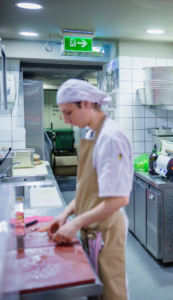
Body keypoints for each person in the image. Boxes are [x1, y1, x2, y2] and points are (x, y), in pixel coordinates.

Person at [48, 79, 133, 300]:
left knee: (111, 292)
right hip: (91, 226)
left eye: (68, 112)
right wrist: (65, 214)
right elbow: (88, 189)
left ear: (86, 104)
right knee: (96, 292)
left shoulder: (111, 138)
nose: (66, 120)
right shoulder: (91, 134)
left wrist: (76, 222)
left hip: (107, 230)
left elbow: (119, 199)